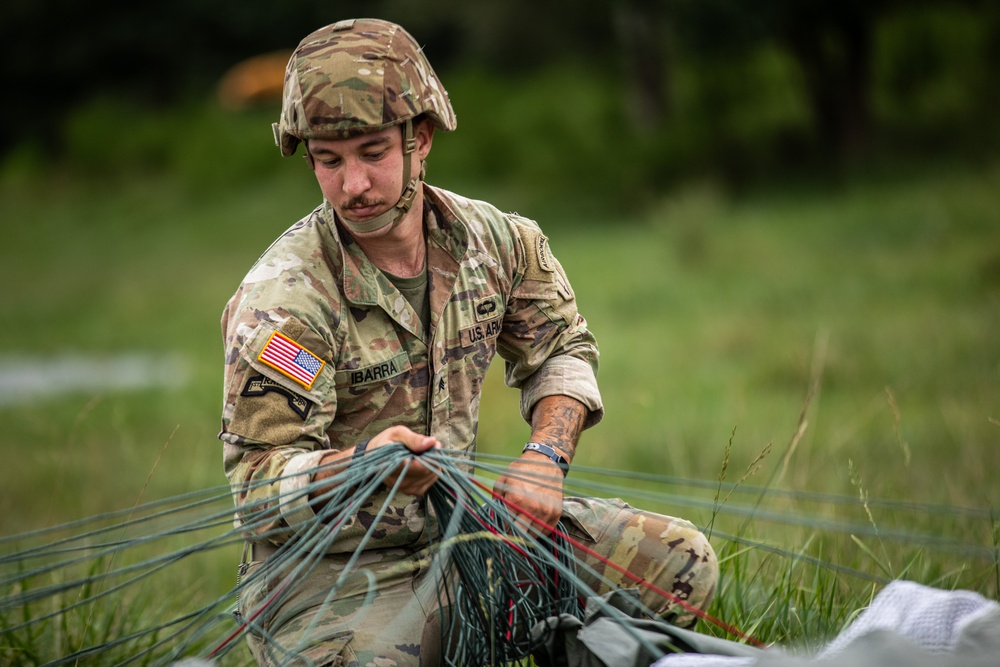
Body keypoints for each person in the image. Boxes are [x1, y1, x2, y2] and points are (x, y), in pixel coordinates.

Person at [219, 17, 718, 666]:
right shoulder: (285, 300)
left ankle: (556, 642)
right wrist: (363, 467)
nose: (353, 186)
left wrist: (546, 455)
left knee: (681, 564)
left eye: (373, 153)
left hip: (470, 537)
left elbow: (562, 347)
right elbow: (257, 493)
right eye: (328, 160)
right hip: (336, 578)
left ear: (420, 138)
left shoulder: (498, 241)